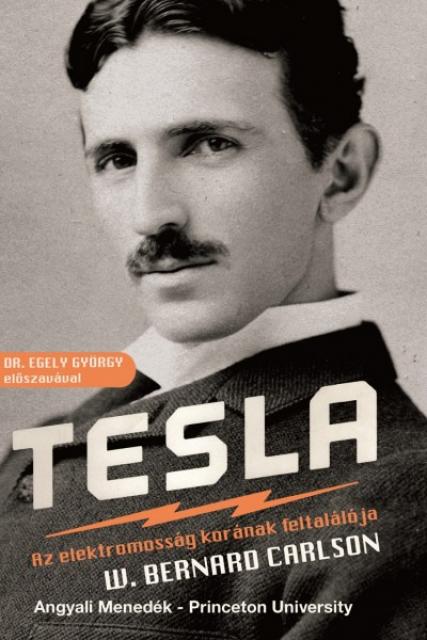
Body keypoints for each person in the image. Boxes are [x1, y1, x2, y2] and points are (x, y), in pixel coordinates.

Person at [0, 1, 426, 638]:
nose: (151, 215)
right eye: (117, 158)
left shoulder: (391, 496)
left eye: (209, 144)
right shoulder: (43, 445)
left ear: (341, 175)